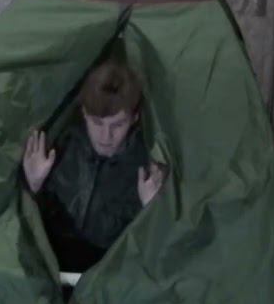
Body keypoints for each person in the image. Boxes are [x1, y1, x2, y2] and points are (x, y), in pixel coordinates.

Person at [21, 52, 168, 276]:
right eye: (97, 123)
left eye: (117, 125)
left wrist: (151, 210)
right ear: (84, 114)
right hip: (51, 266)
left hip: (109, 276)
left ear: (134, 118)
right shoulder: (62, 147)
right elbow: (35, 226)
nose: (106, 136)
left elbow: (149, 250)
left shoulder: (145, 165)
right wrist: (34, 186)